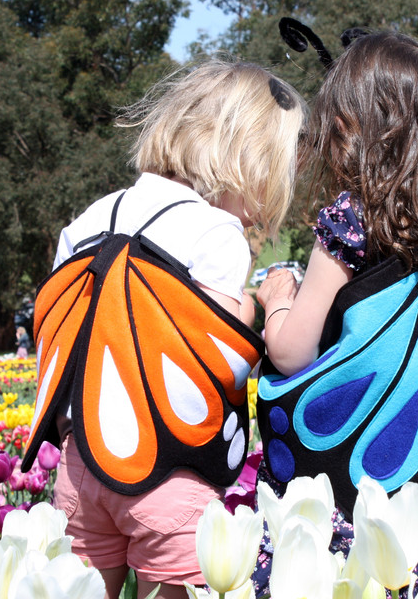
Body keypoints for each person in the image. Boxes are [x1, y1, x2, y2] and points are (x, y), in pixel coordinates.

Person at [23, 60, 306, 599]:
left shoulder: (87, 220)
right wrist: (264, 305)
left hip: (80, 464)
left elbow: (59, 337)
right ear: (243, 162)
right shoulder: (215, 232)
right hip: (167, 470)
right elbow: (220, 354)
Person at [253, 31, 418, 597]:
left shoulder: (353, 218)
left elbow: (293, 351)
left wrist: (278, 300)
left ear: (347, 125)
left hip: (349, 489)